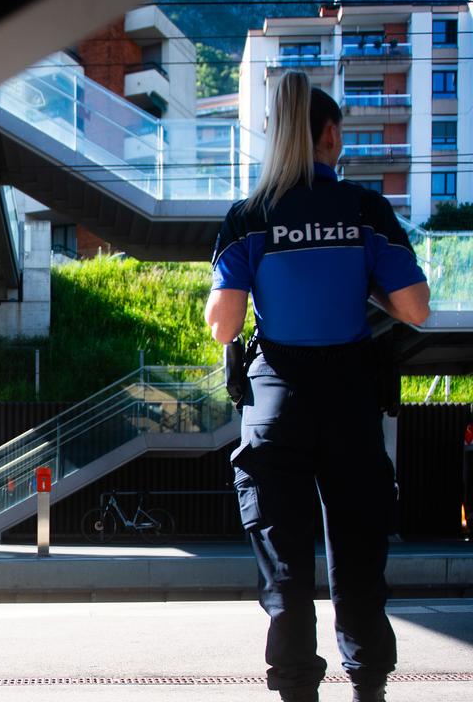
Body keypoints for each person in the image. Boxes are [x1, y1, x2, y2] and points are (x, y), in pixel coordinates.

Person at [205, 71, 430, 702]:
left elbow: (223, 324)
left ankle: (298, 691)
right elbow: (416, 309)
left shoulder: (249, 216)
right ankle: (368, 689)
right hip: (351, 396)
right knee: (357, 556)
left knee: (285, 564)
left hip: (278, 398)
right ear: (330, 135)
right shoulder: (365, 210)